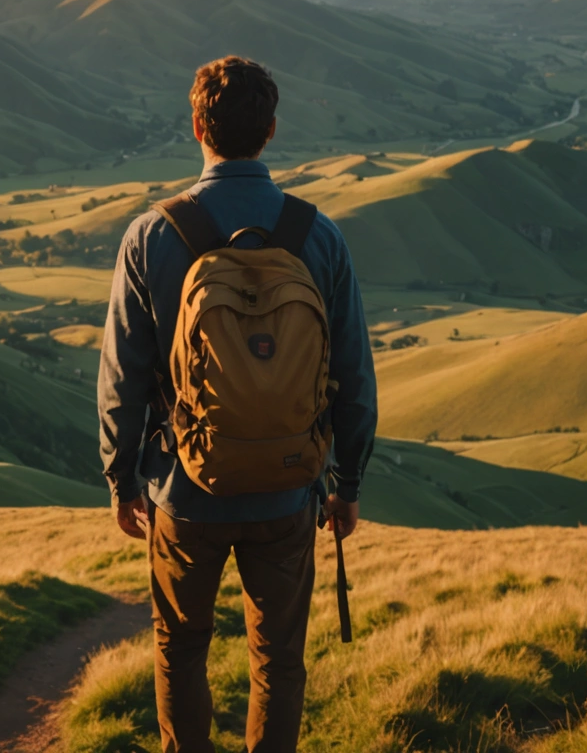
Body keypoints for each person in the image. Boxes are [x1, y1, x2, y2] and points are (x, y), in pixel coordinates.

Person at [97, 55, 377, 753]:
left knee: (181, 647)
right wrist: (348, 484)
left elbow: (123, 377)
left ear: (197, 126)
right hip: (288, 490)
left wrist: (120, 476)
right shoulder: (319, 235)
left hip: (183, 488)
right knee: (278, 661)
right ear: (271, 130)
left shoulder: (152, 235)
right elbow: (352, 373)